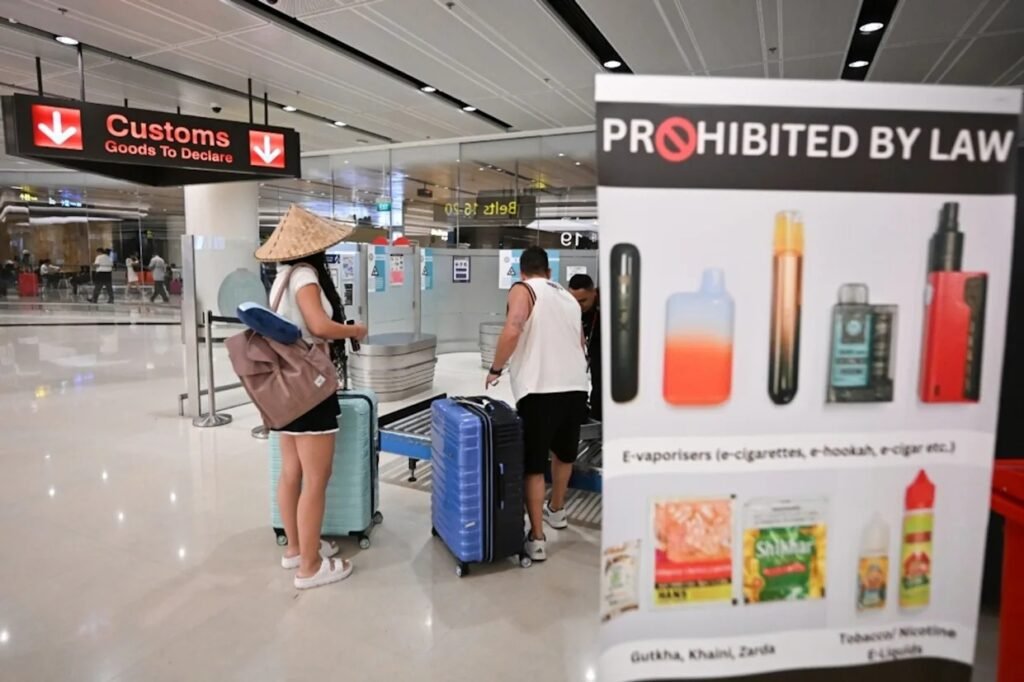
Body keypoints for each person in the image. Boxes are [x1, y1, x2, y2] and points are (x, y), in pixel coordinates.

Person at [257, 205, 367, 590]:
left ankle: (296, 549)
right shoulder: (305, 276)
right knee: (317, 478)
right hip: (309, 387)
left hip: (283, 386)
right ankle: (310, 566)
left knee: (291, 471)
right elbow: (318, 326)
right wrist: (354, 330)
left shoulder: (281, 277)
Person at [486, 246, 589, 562]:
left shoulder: (524, 289)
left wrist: (496, 368)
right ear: (549, 271)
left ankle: (538, 538)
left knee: (533, 464)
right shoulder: (567, 297)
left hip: (540, 389)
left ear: (522, 271)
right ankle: (557, 510)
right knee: (564, 454)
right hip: (575, 387)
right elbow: (580, 342)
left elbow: (513, 327)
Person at [568, 274, 602, 421]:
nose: (578, 306)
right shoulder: (571, 307)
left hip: (610, 347)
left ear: (594, 293)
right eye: (574, 301)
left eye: (583, 301)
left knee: (602, 384)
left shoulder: (609, 304)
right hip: (592, 345)